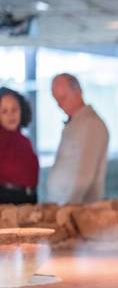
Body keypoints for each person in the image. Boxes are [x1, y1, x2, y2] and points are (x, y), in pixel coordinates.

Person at [47, 73, 109, 204]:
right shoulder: (76, 123)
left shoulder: (90, 124)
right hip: (63, 206)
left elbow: (84, 172)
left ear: (78, 91)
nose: (59, 105)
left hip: (76, 209)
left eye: (63, 98)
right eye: (56, 99)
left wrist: (69, 208)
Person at [0, 87, 39, 204]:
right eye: (4, 111)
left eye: (14, 109)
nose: (11, 115)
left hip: (29, 199)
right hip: (7, 202)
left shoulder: (24, 140)